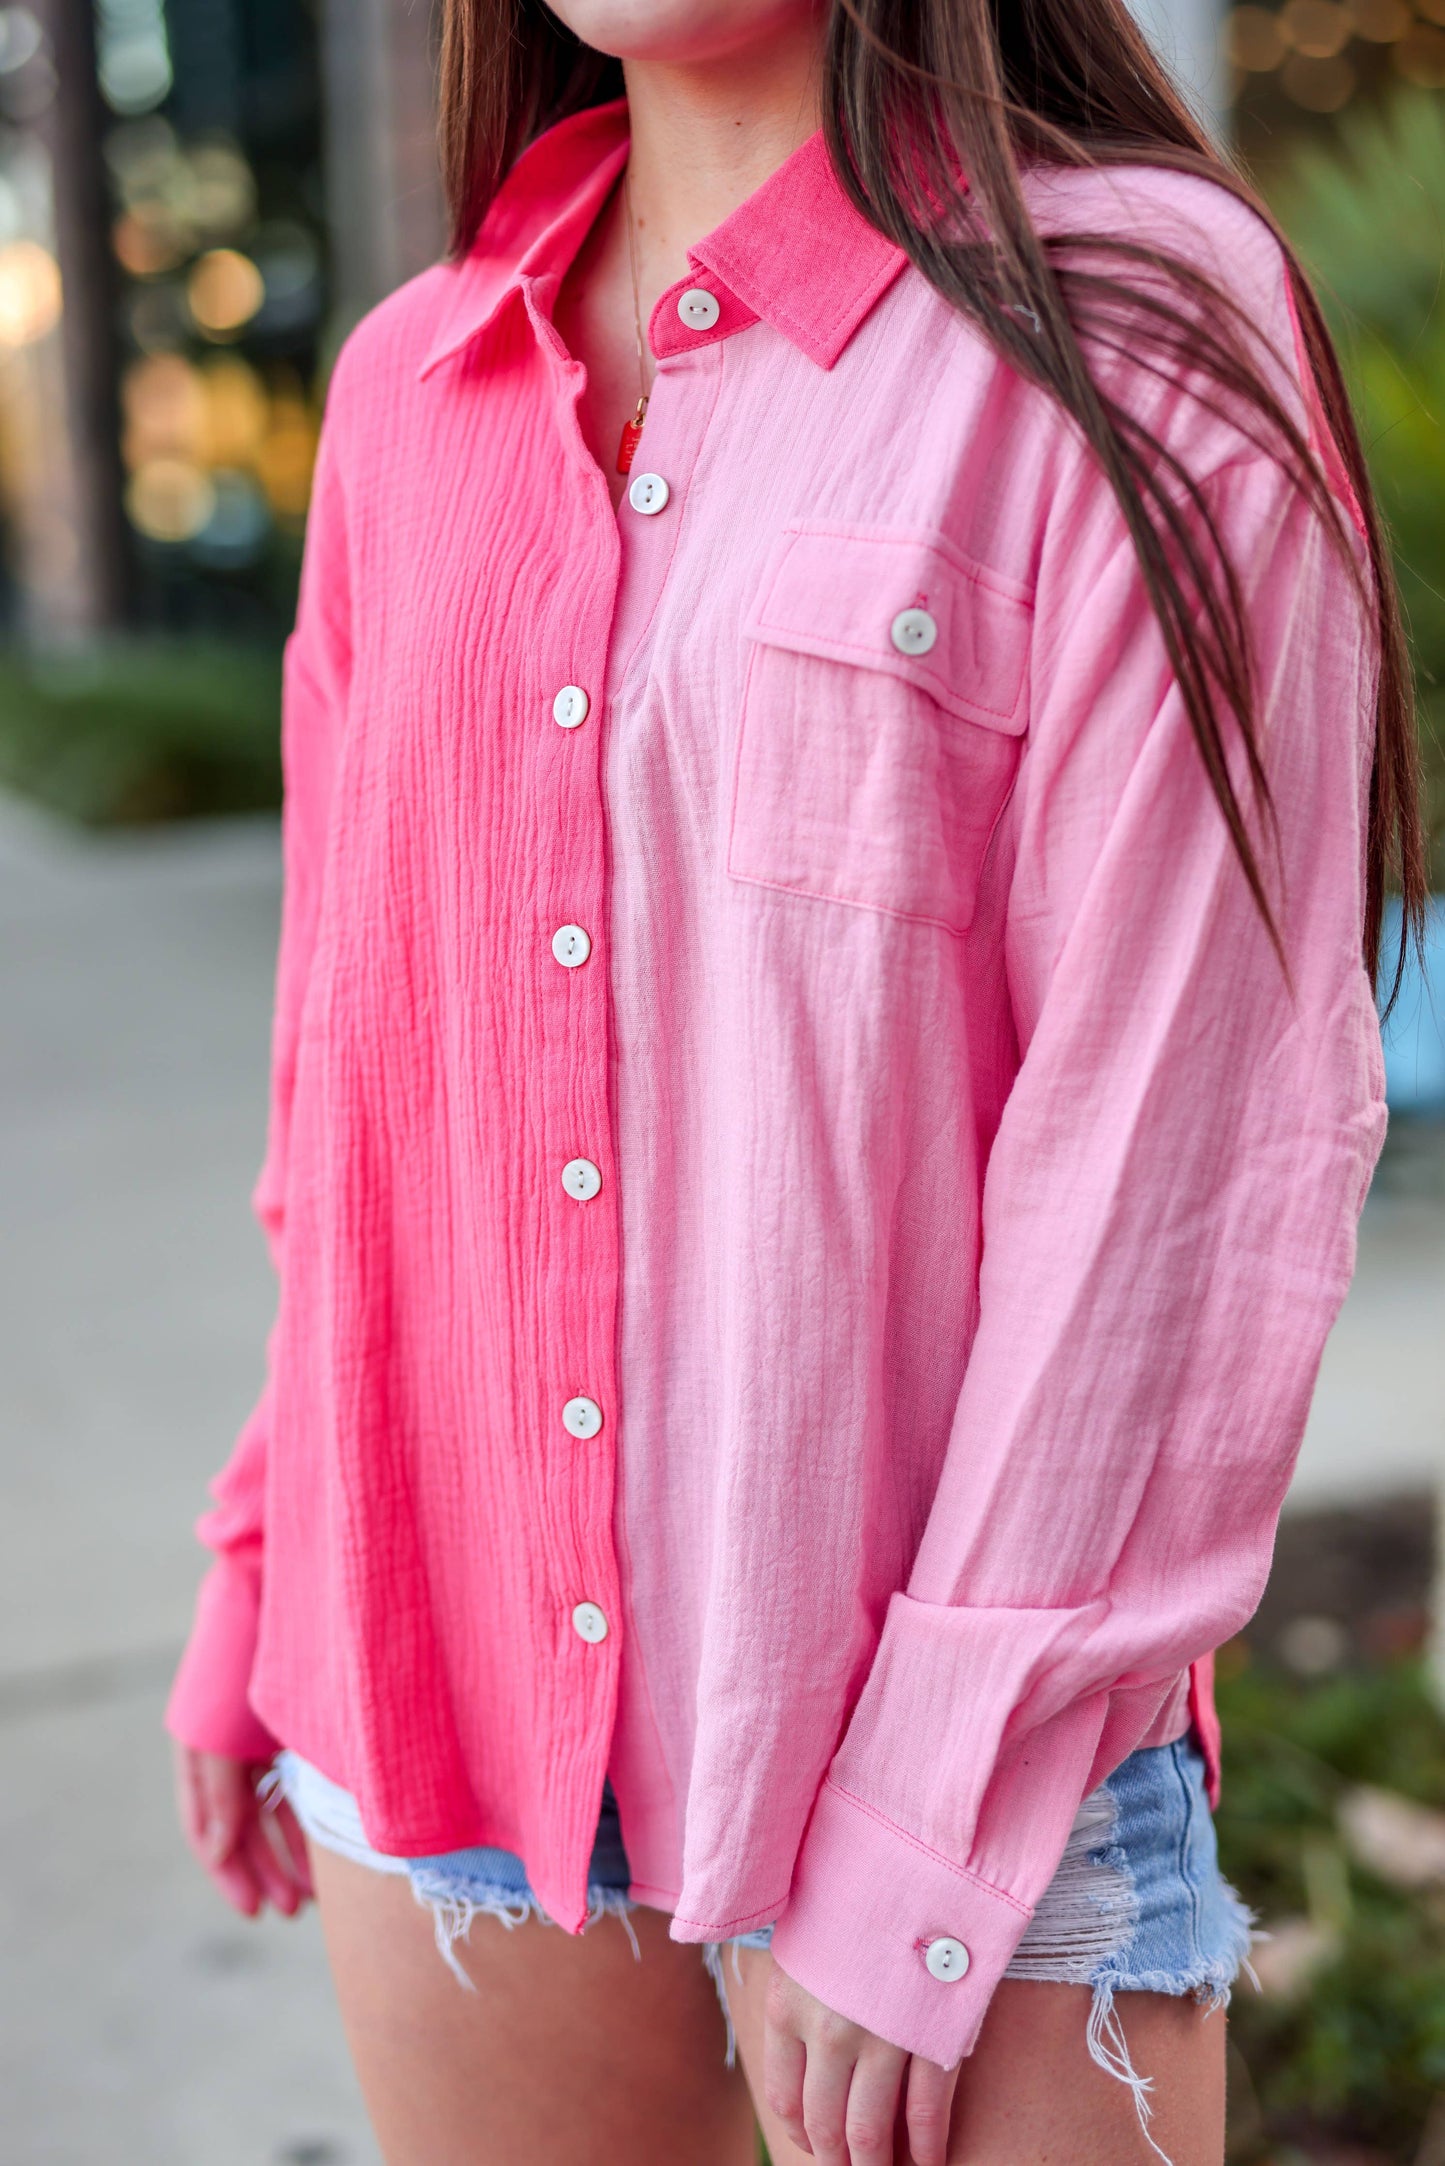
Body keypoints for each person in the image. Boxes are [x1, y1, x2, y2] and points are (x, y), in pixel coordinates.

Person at [165, 0, 1424, 2155]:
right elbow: (353, 1075)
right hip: (436, 1699)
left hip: (971, 1775)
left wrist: (927, 1827)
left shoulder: (1127, 331)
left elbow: (1182, 1160)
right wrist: (267, 1552)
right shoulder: (405, 393)